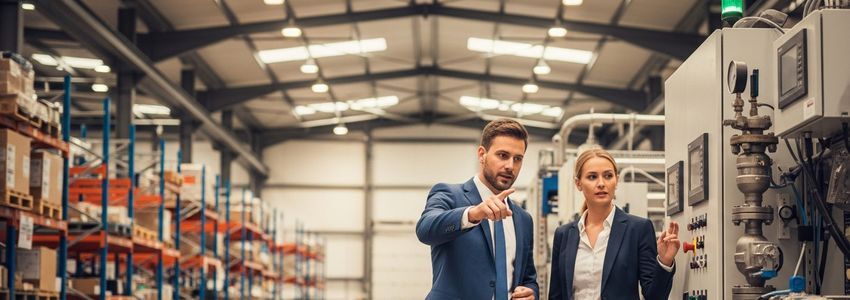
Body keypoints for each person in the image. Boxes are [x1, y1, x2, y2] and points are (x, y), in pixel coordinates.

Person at [416, 118, 538, 300]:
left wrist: (531, 293)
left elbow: (528, 277)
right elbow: (425, 230)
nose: (510, 166)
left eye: (517, 159)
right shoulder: (449, 194)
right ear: (482, 154)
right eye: (503, 155)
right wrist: (473, 213)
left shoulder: (523, 219)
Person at [548, 149, 679, 300]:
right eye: (592, 177)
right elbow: (556, 295)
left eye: (608, 176)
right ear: (578, 183)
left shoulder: (638, 229)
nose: (601, 183)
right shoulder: (564, 235)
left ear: (616, 181)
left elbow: (654, 297)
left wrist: (664, 262)